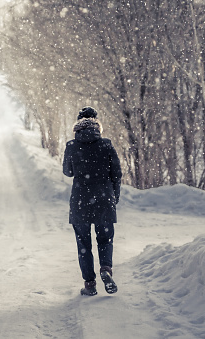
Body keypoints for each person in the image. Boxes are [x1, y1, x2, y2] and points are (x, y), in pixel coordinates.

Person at [62, 106, 122, 296]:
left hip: (80, 200)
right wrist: (114, 197)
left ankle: (90, 284)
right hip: (104, 198)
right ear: (97, 124)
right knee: (105, 239)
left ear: (77, 124)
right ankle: (105, 268)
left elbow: (68, 172)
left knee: (83, 244)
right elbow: (117, 174)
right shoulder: (106, 145)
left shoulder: (72, 146)